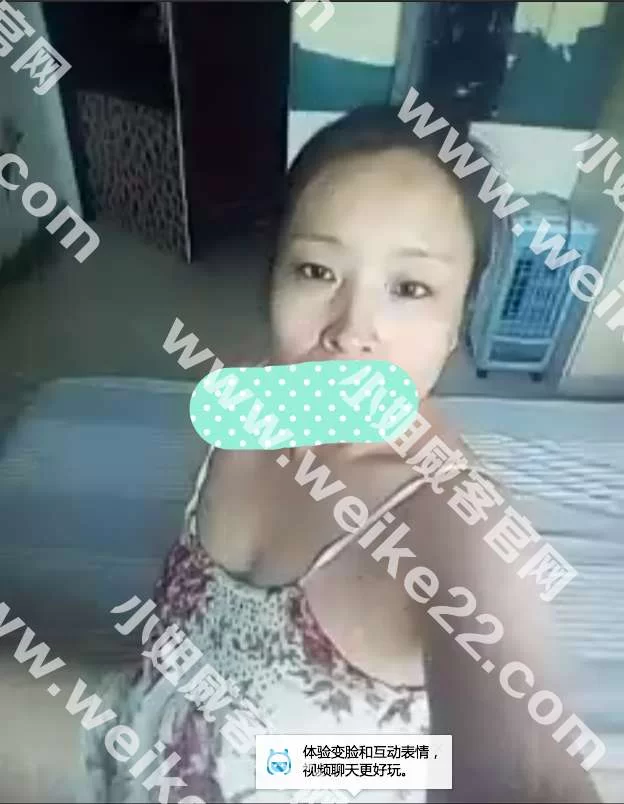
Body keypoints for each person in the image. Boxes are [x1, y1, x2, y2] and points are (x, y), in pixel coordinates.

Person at [81, 107, 601, 803]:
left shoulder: (458, 529)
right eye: (317, 270)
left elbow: (532, 777)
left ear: (457, 323)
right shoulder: (252, 398)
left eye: (409, 288)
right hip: (152, 710)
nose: (352, 331)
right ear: (274, 278)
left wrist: (279, 766)